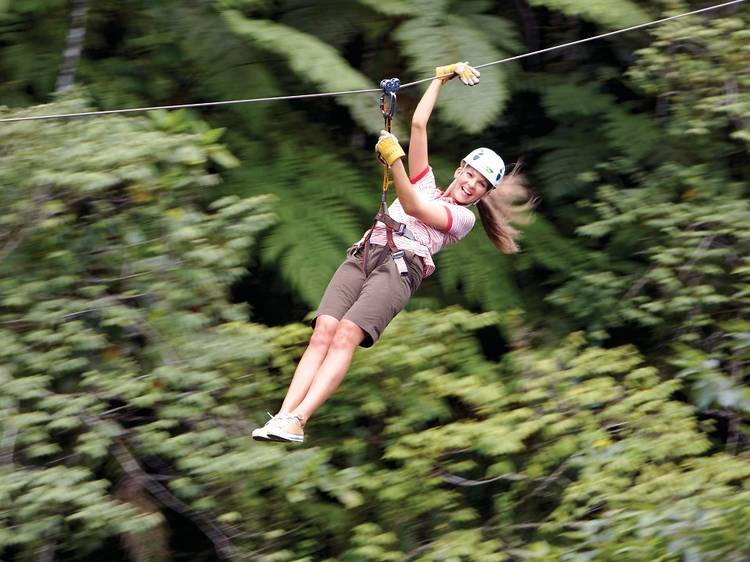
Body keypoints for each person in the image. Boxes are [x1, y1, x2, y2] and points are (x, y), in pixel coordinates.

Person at [253, 61, 532, 443]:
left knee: (346, 334)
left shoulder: (461, 218)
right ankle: (283, 415)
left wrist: (395, 160)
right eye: (470, 174)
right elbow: (418, 125)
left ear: (484, 195)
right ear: (461, 168)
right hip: (366, 252)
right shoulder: (428, 181)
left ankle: (300, 420)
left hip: (400, 269)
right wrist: (441, 78)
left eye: (481, 185)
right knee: (323, 330)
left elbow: (414, 208)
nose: (471, 185)